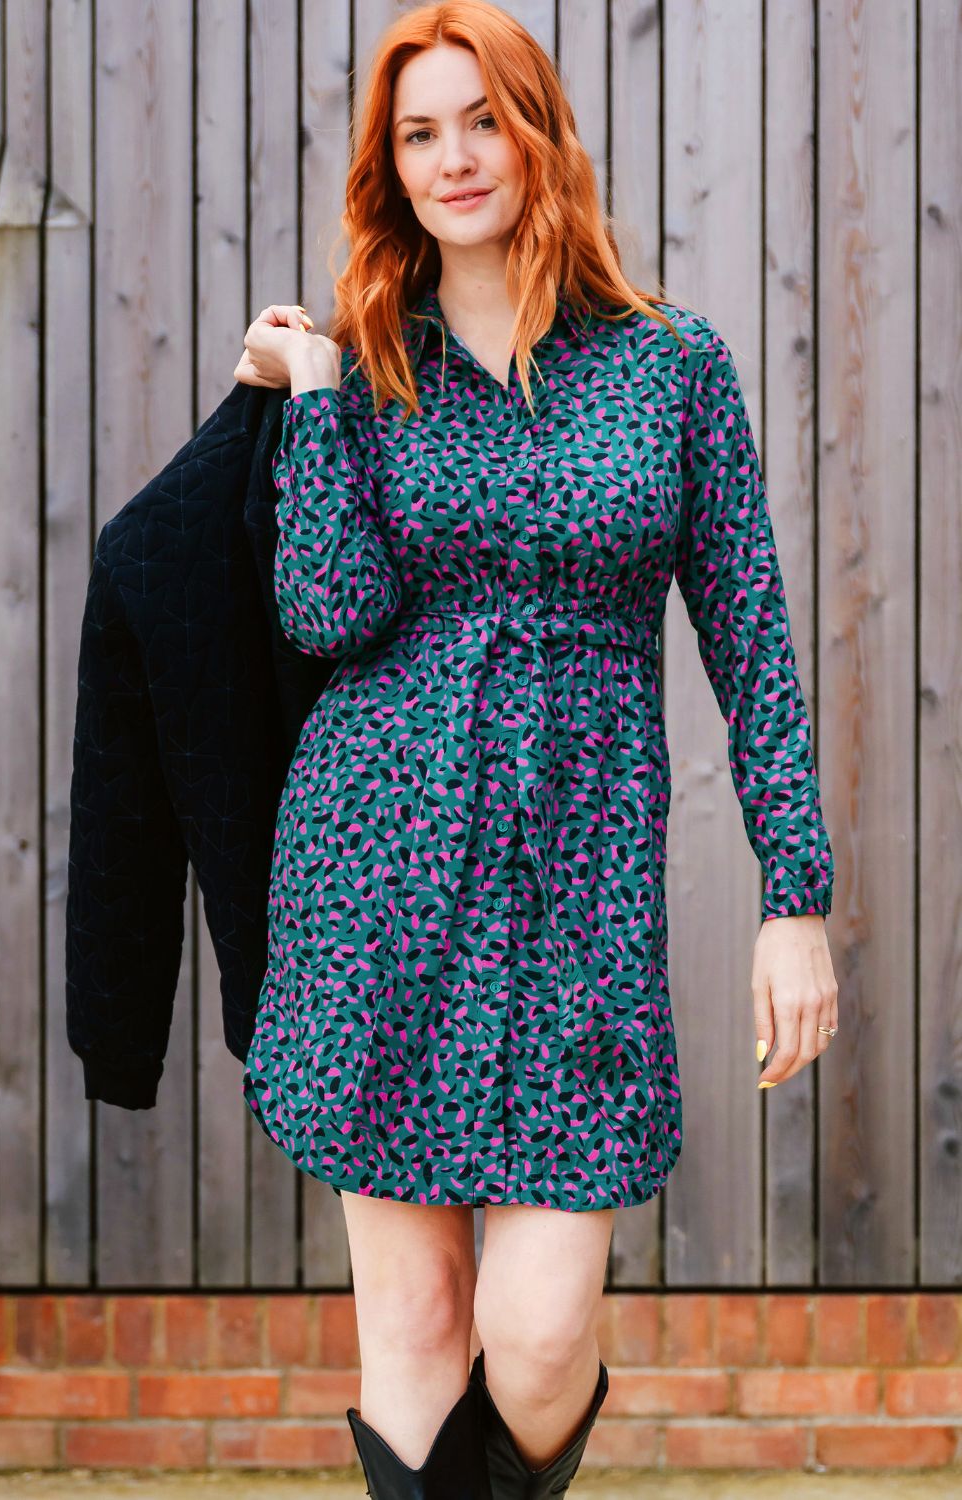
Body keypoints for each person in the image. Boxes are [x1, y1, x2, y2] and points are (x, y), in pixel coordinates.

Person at [235, 2, 839, 1495]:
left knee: (543, 1329)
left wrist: (795, 898)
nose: (454, 159)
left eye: (479, 120)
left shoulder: (670, 368)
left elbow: (751, 639)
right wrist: (314, 399)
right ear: (392, 165)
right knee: (421, 1322)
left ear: (536, 127)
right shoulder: (368, 362)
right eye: (418, 134)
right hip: (382, 872)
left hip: (581, 893)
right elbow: (328, 608)